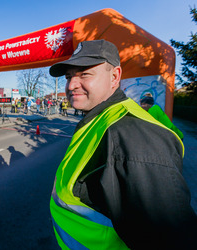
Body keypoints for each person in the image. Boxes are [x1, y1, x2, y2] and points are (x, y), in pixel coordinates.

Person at [48, 40, 197, 249]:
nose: (71, 84)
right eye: (69, 76)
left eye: (84, 74)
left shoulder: (133, 136)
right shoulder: (100, 119)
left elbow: (174, 239)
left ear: (115, 77)